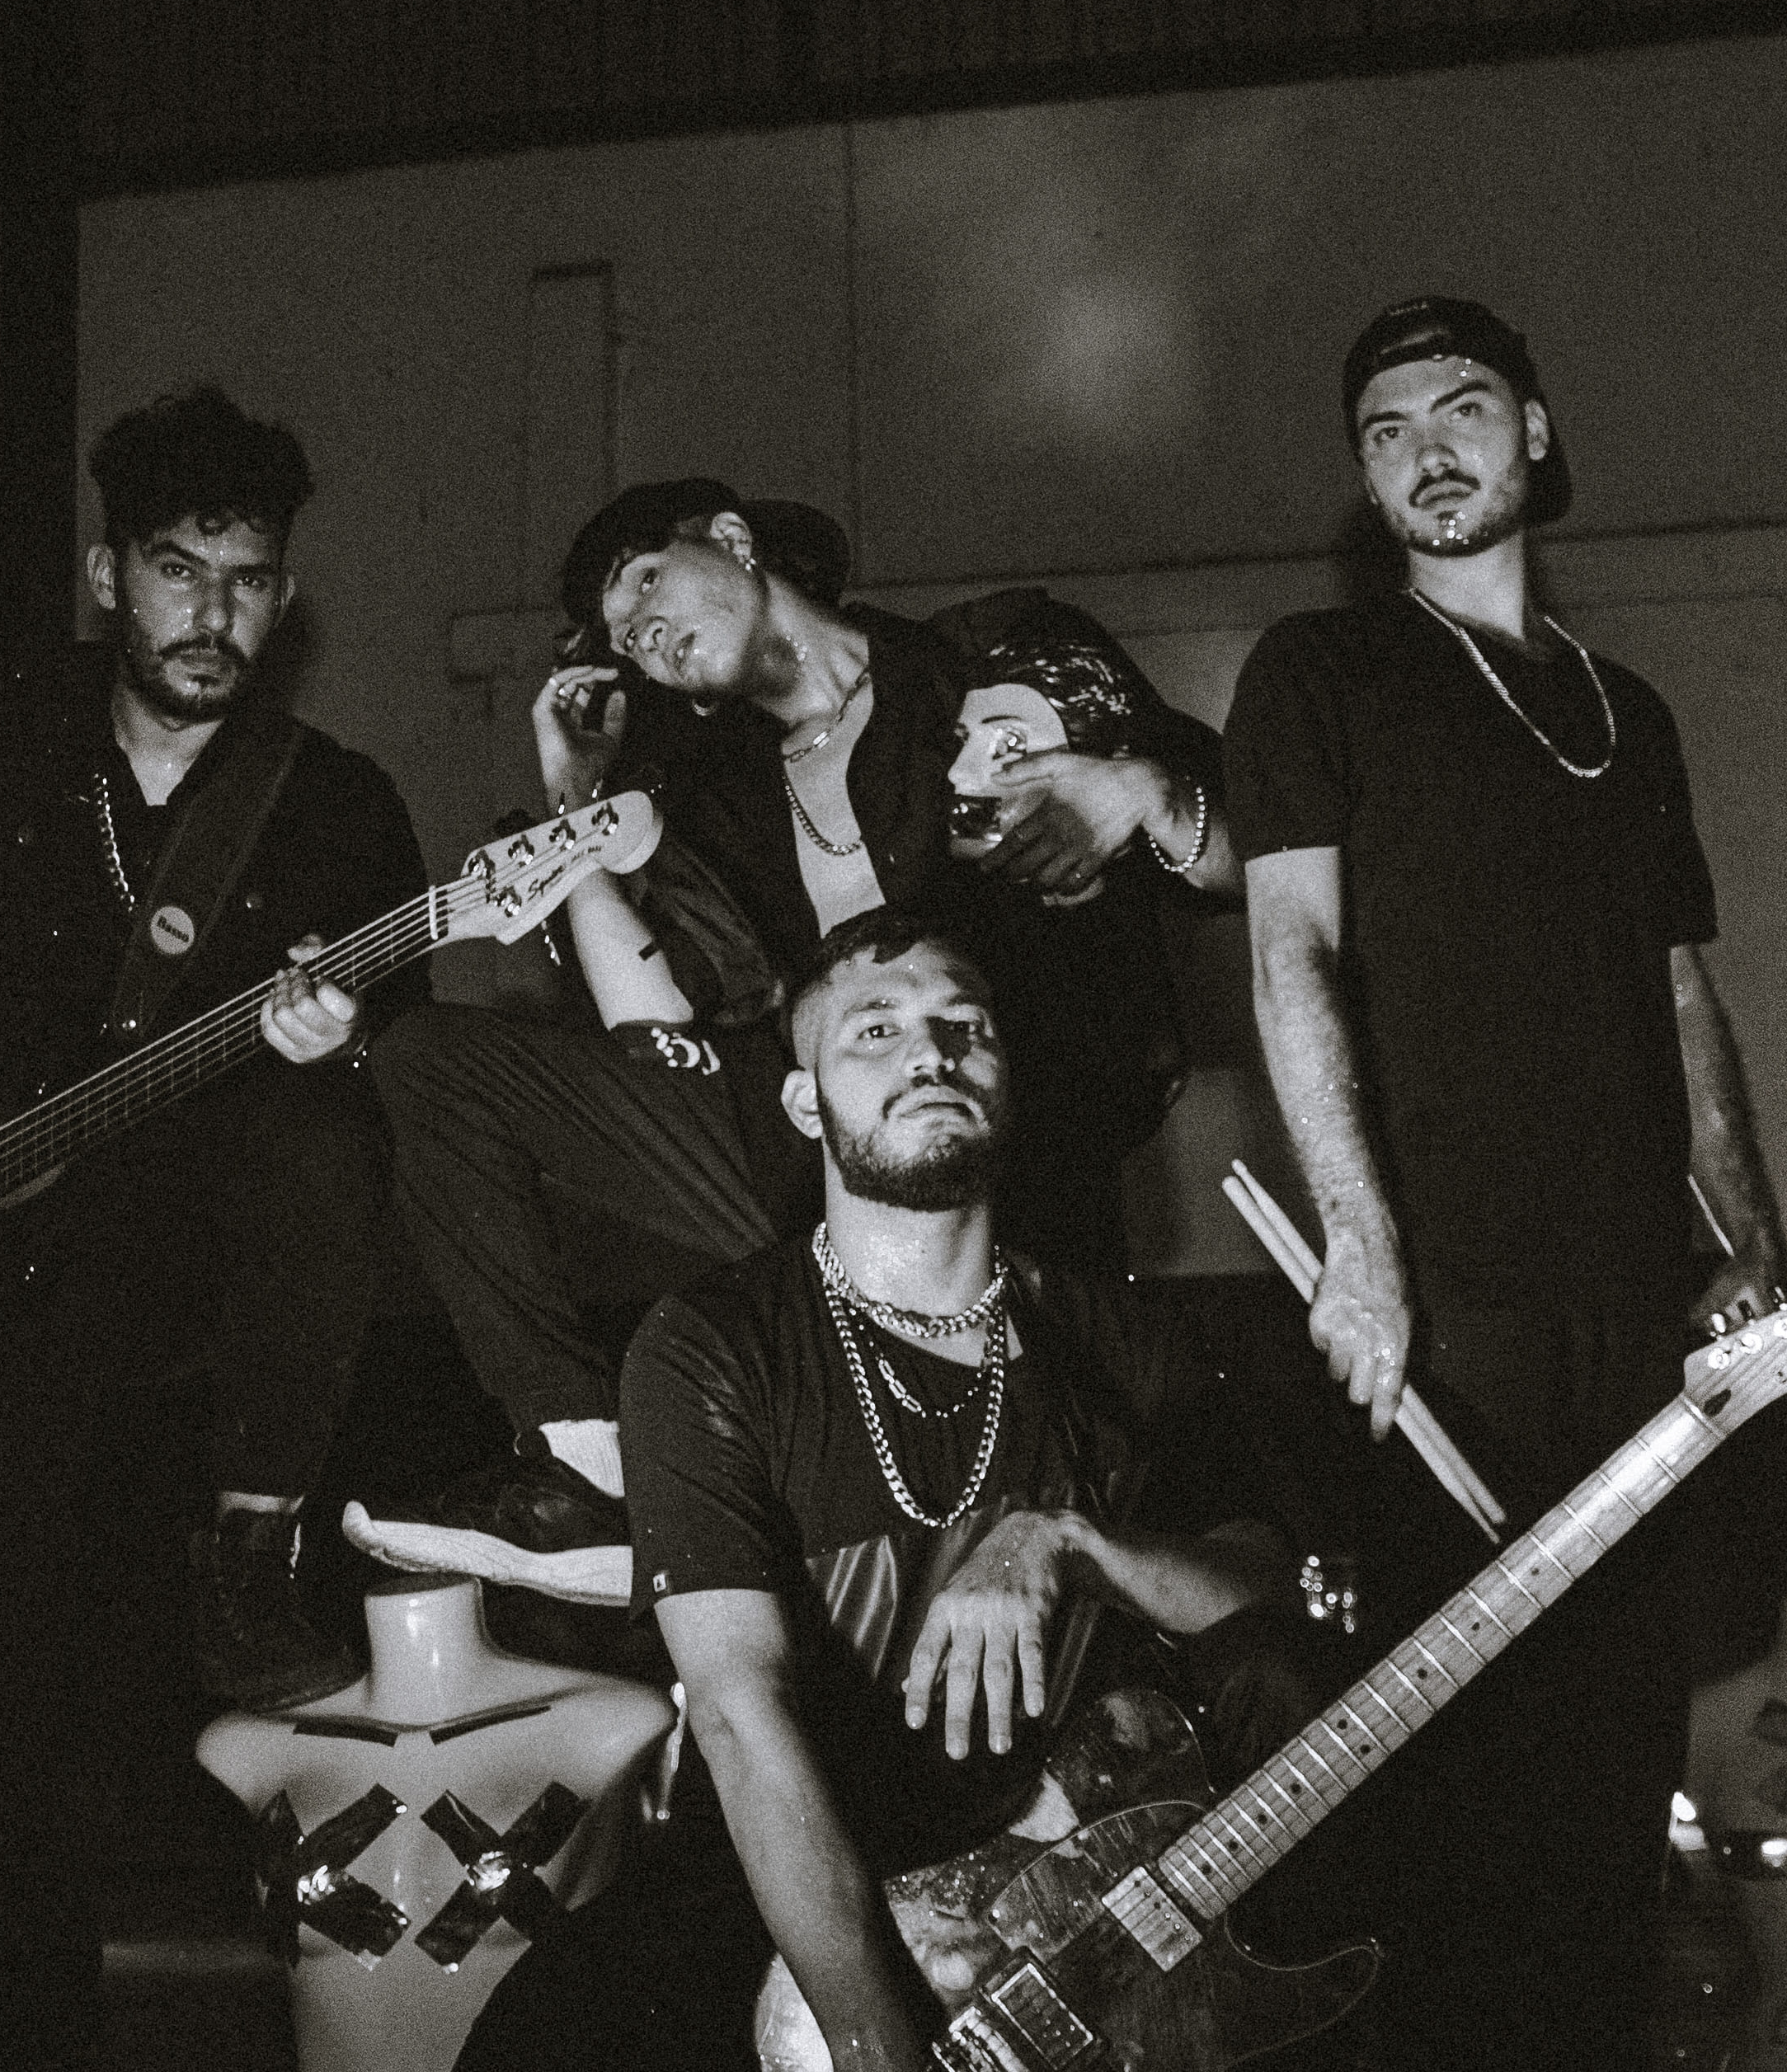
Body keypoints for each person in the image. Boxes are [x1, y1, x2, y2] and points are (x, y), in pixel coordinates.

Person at [435, 914, 1432, 2072]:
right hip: (806, 1835)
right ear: (805, 1102)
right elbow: (739, 1708)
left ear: (1006, 1075)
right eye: (875, 1031)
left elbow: (1254, 1587)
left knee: (1290, 1684)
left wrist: (1065, 1538)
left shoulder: (1111, 1333)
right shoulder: (712, 1343)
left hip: (1040, 1844)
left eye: (962, 1024)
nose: (929, 1053)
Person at [1224, 297, 1787, 2072]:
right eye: (1383, 423)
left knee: (1609, 1706)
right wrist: (1360, 1243)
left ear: (1534, 434)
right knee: (1457, 1713)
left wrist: (1744, 1229)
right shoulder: (1319, 670)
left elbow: (1675, 986)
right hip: (1440, 1285)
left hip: (1626, 1285)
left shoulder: (1617, 707)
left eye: (1460, 407)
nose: (1424, 445)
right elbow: (1290, 956)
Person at [0, 386, 428, 2072]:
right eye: (175, 569)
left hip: (217, 1333)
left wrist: (341, 1038)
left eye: (247, 578)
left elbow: (399, 1089)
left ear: (285, 595)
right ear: (105, 575)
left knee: (219, 1737)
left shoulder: (337, 809)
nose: (212, 613)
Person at [367, 483, 1234, 1589]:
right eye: (623, 636)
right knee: (431, 1060)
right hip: (811, 1157)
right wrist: (575, 806)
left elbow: (1254, 857)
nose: (642, 633)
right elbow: (656, 1027)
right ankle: (590, 1466)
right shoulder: (706, 792)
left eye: (646, 583)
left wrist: (1146, 793)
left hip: (1015, 1166)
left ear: (733, 542)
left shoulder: (991, 666)